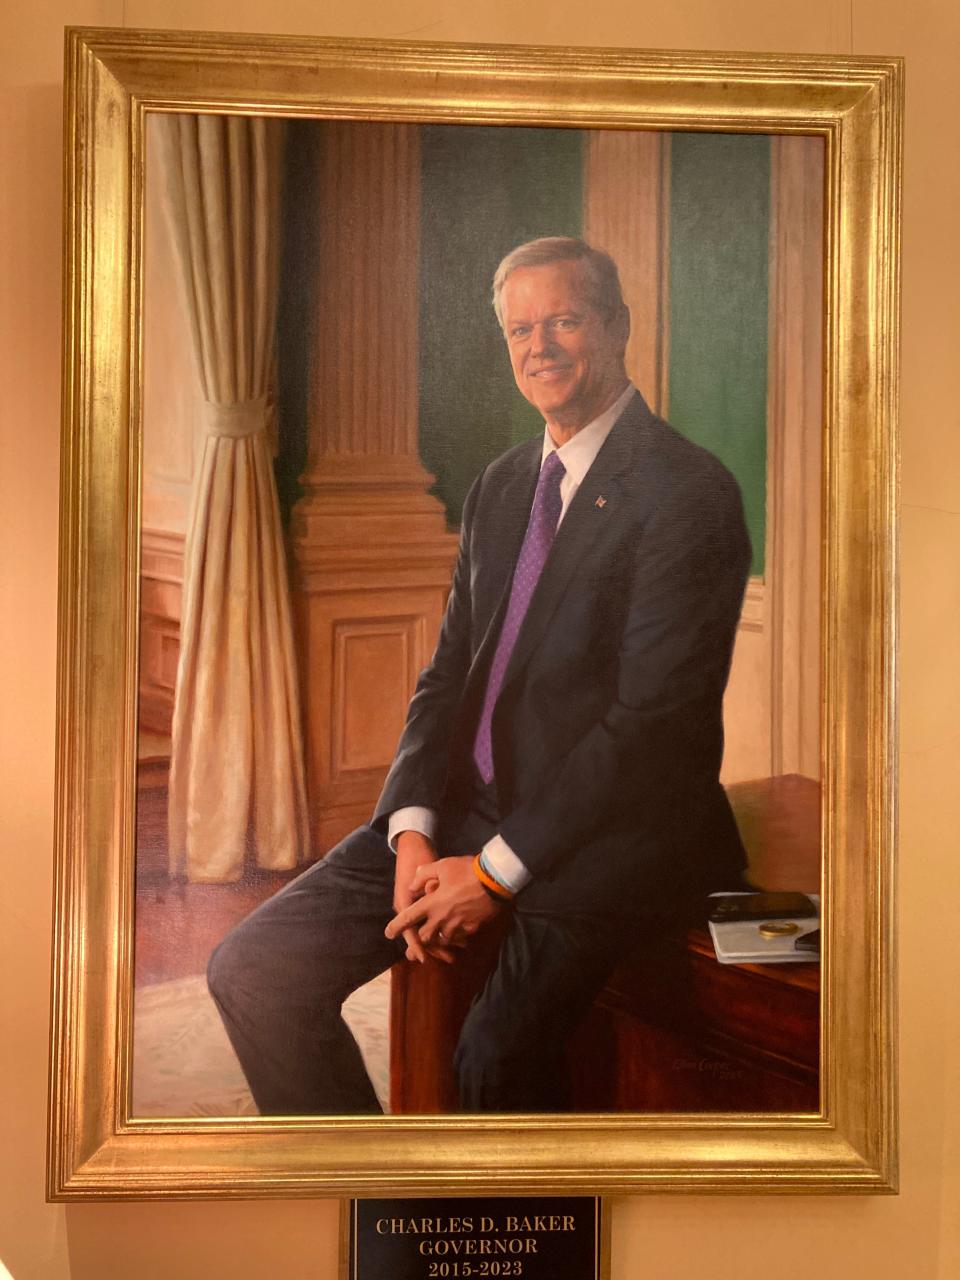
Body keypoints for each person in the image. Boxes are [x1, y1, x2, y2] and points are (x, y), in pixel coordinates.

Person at [207, 236, 751, 1115]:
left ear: (617, 325)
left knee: (488, 1065)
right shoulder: (503, 485)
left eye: (565, 321)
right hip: (469, 807)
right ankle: (372, 1207)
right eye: (519, 329)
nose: (539, 347)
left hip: (608, 832)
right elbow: (449, 673)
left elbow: (650, 729)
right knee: (254, 970)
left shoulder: (688, 492)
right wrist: (414, 830)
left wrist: (494, 872)